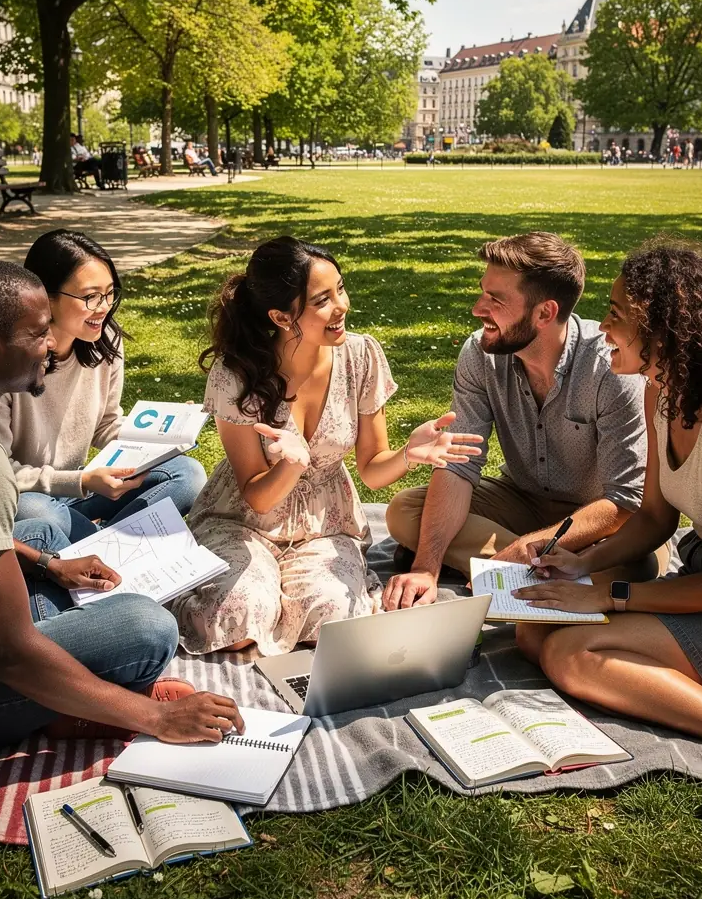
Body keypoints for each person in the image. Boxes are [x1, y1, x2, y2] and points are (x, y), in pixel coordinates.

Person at [0, 257, 242, 770]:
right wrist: (154, 719)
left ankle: (66, 690)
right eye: (39, 333)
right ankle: (67, 704)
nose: (51, 346)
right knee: (146, 626)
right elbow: (6, 654)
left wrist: (48, 564)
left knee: (41, 533)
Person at [172, 236, 482, 654]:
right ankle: (240, 595)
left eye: (341, 288)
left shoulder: (361, 355)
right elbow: (257, 498)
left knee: (336, 617)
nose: (342, 306)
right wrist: (291, 464)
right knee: (236, 617)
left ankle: (286, 601)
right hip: (241, 521)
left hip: (325, 525)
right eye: (322, 300)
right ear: (282, 317)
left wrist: (409, 454)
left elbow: (372, 469)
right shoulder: (236, 374)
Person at [513, 241, 702, 768]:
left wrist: (613, 594)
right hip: (696, 573)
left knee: (571, 653)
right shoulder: (662, 391)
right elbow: (656, 515)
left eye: (615, 315)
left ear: (664, 331)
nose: (602, 328)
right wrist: (584, 565)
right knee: (532, 628)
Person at [383, 232, 655, 612]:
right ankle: (544, 574)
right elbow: (460, 462)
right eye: (483, 293)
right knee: (403, 512)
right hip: (520, 498)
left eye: (495, 300)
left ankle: (515, 566)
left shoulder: (610, 368)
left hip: (598, 519)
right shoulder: (479, 354)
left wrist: (516, 551)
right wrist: (425, 568)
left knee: (639, 563)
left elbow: (625, 501)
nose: (478, 309)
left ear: (545, 313)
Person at [0, 230, 206, 543]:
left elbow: (106, 425)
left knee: (188, 475)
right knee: (40, 514)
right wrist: (82, 480)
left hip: (82, 488)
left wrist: (165, 433)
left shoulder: (104, 340)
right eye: (91, 297)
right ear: (45, 298)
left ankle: (95, 543)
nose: (103, 307)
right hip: (29, 494)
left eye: (110, 293)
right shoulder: (9, 362)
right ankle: (110, 546)